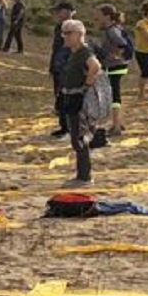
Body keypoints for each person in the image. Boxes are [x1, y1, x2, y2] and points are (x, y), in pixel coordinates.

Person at [55, 19, 106, 183]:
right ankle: (83, 172)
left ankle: (84, 176)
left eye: (69, 33)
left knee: (78, 136)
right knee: (76, 135)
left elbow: (95, 66)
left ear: (79, 34)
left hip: (79, 97)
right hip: (71, 95)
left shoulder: (84, 52)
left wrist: (86, 86)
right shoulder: (74, 53)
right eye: (64, 33)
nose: (65, 36)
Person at [95, 4, 133, 136]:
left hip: (115, 66)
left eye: (99, 14)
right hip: (117, 65)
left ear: (107, 16)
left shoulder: (112, 30)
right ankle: (119, 122)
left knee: (114, 95)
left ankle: (116, 126)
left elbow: (122, 43)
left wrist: (116, 55)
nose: (97, 17)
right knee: (115, 94)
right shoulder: (114, 28)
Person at [47, 1, 75, 135]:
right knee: (60, 95)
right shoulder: (61, 26)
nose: (57, 14)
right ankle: (65, 126)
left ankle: (67, 127)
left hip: (66, 66)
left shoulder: (71, 27)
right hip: (59, 65)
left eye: (59, 11)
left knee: (65, 96)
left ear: (67, 12)